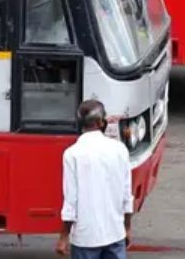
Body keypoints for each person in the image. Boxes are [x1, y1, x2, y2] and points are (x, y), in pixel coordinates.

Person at [57, 100, 133, 259]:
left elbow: (71, 201)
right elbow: (127, 194)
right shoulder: (120, 150)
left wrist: (64, 237)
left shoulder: (72, 154)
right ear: (100, 122)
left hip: (86, 238)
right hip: (115, 233)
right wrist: (127, 227)